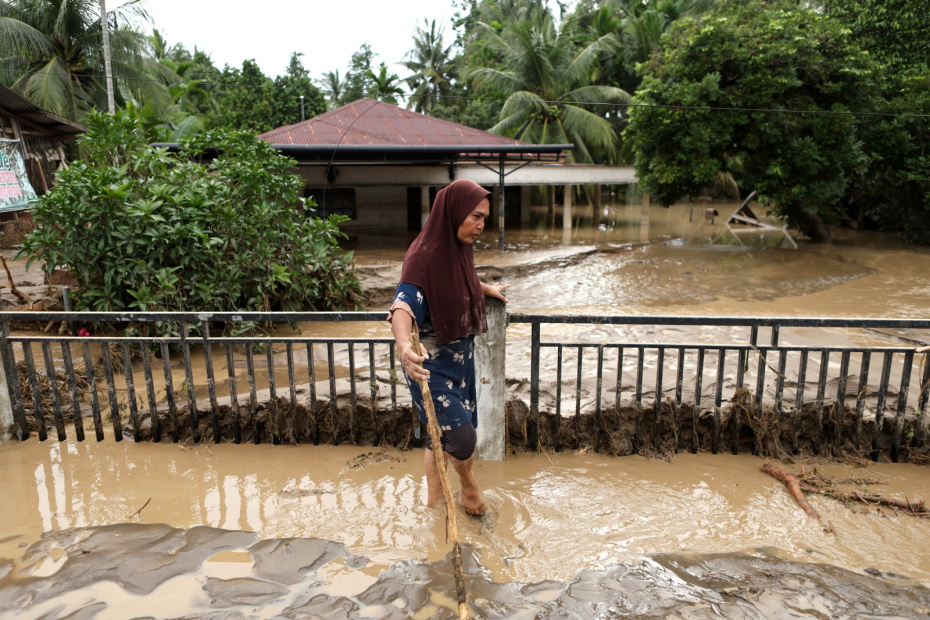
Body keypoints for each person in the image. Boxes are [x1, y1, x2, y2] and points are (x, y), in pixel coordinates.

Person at [388, 179, 510, 517]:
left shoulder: (457, 247)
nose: (481, 226)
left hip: (461, 364)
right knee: (463, 438)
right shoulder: (422, 257)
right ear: (454, 212)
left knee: (438, 438)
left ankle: (434, 506)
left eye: (485, 218)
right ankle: (469, 487)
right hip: (430, 368)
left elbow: (460, 278)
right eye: (475, 216)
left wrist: (486, 288)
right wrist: (403, 346)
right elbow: (403, 305)